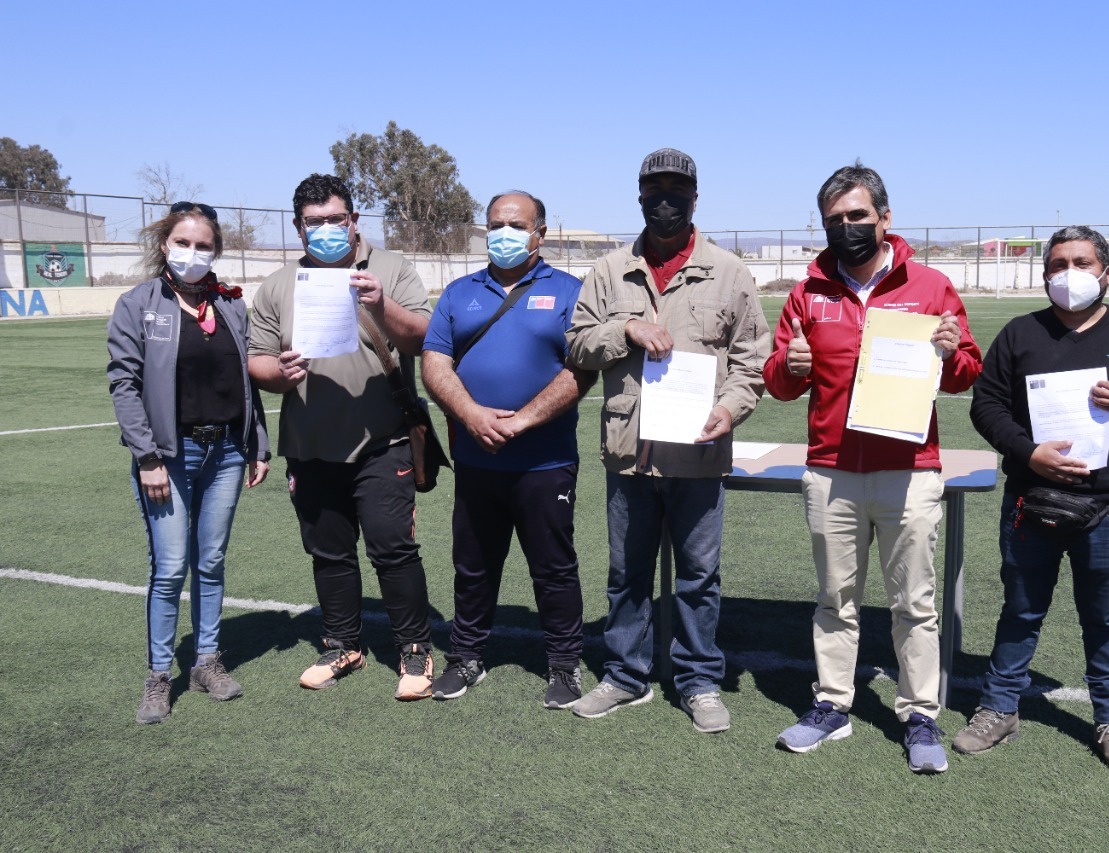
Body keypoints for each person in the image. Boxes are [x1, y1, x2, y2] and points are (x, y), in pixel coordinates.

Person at [763, 163, 982, 772]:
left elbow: (968, 372)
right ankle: (832, 704)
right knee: (836, 597)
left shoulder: (932, 286)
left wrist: (949, 351)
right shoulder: (807, 292)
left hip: (910, 468)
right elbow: (776, 382)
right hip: (831, 469)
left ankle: (919, 715)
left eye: (858, 216)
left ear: (885, 218)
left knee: (914, 601)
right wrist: (794, 365)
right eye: (835, 220)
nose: (847, 227)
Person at [954, 226, 1109, 777]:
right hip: (1030, 499)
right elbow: (986, 406)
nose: (1069, 274)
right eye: (1058, 264)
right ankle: (998, 708)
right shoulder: (1020, 334)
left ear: (1107, 272)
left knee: (1103, 618)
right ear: (1044, 275)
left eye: (1081, 262)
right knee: (1020, 612)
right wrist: (1028, 453)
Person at [566, 148, 768, 733]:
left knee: (698, 576)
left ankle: (699, 680)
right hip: (629, 452)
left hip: (699, 453)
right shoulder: (607, 272)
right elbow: (576, 344)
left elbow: (750, 364)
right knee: (625, 575)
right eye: (653, 189)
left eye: (676, 190)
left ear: (695, 197)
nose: (665, 200)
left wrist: (730, 410)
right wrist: (624, 329)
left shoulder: (729, 272)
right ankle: (625, 675)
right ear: (638, 196)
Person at [247, 173, 435, 701]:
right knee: (328, 554)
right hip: (309, 444)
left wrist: (381, 306)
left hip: (384, 441)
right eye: (314, 222)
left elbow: (422, 336)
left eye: (335, 219)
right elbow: (255, 360)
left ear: (353, 220)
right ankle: (342, 644)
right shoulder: (279, 284)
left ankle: (415, 649)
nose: (326, 229)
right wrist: (276, 374)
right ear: (298, 227)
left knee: (392, 549)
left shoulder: (392, 268)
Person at [421, 190, 595, 709]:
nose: (504, 234)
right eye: (496, 224)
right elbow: (434, 361)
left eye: (516, 225)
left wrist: (524, 420)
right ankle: (466, 657)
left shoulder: (569, 291)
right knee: (473, 565)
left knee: (554, 566)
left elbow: (581, 369)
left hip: (545, 461)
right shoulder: (458, 293)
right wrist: (471, 416)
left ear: (540, 234)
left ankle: (564, 665)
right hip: (478, 459)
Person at [108, 201, 271, 724]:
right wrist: (148, 457)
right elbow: (124, 385)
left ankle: (206, 661)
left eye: (204, 245)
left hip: (225, 451)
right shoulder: (138, 304)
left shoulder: (231, 306)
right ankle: (159, 675)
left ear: (216, 250)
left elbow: (246, 383)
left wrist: (257, 443)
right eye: (183, 243)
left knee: (211, 561)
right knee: (171, 565)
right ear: (164, 245)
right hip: (168, 457)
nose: (193, 253)